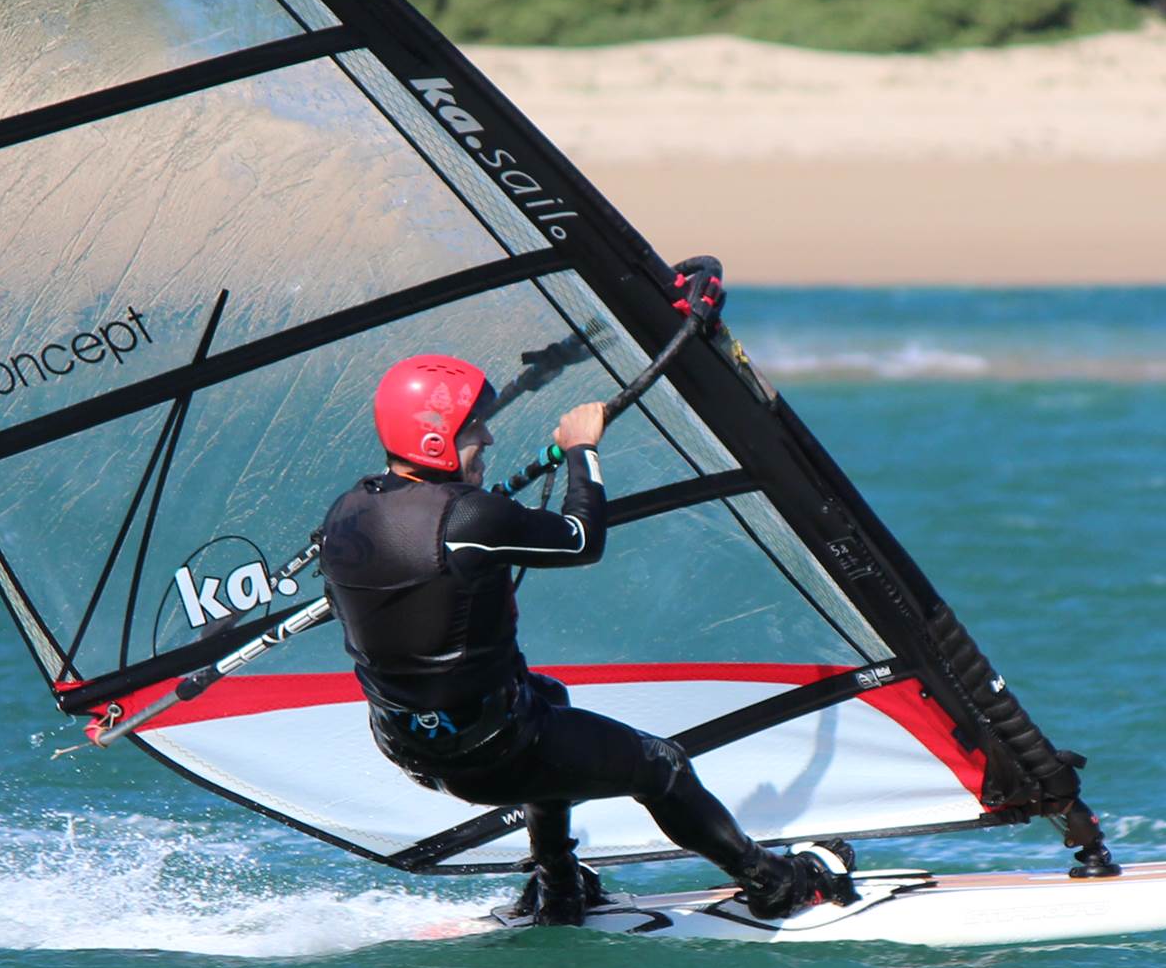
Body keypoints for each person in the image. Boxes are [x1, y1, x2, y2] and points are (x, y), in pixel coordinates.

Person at [320, 353, 856, 925]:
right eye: (474, 429)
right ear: (435, 439)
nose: (487, 438)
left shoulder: (346, 513)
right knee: (663, 766)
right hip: (491, 753)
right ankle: (774, 884)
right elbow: (581, 539)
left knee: (548, 697)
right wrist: (582, 449)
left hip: (406, 743)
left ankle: (559, 884)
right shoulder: (472, 519)